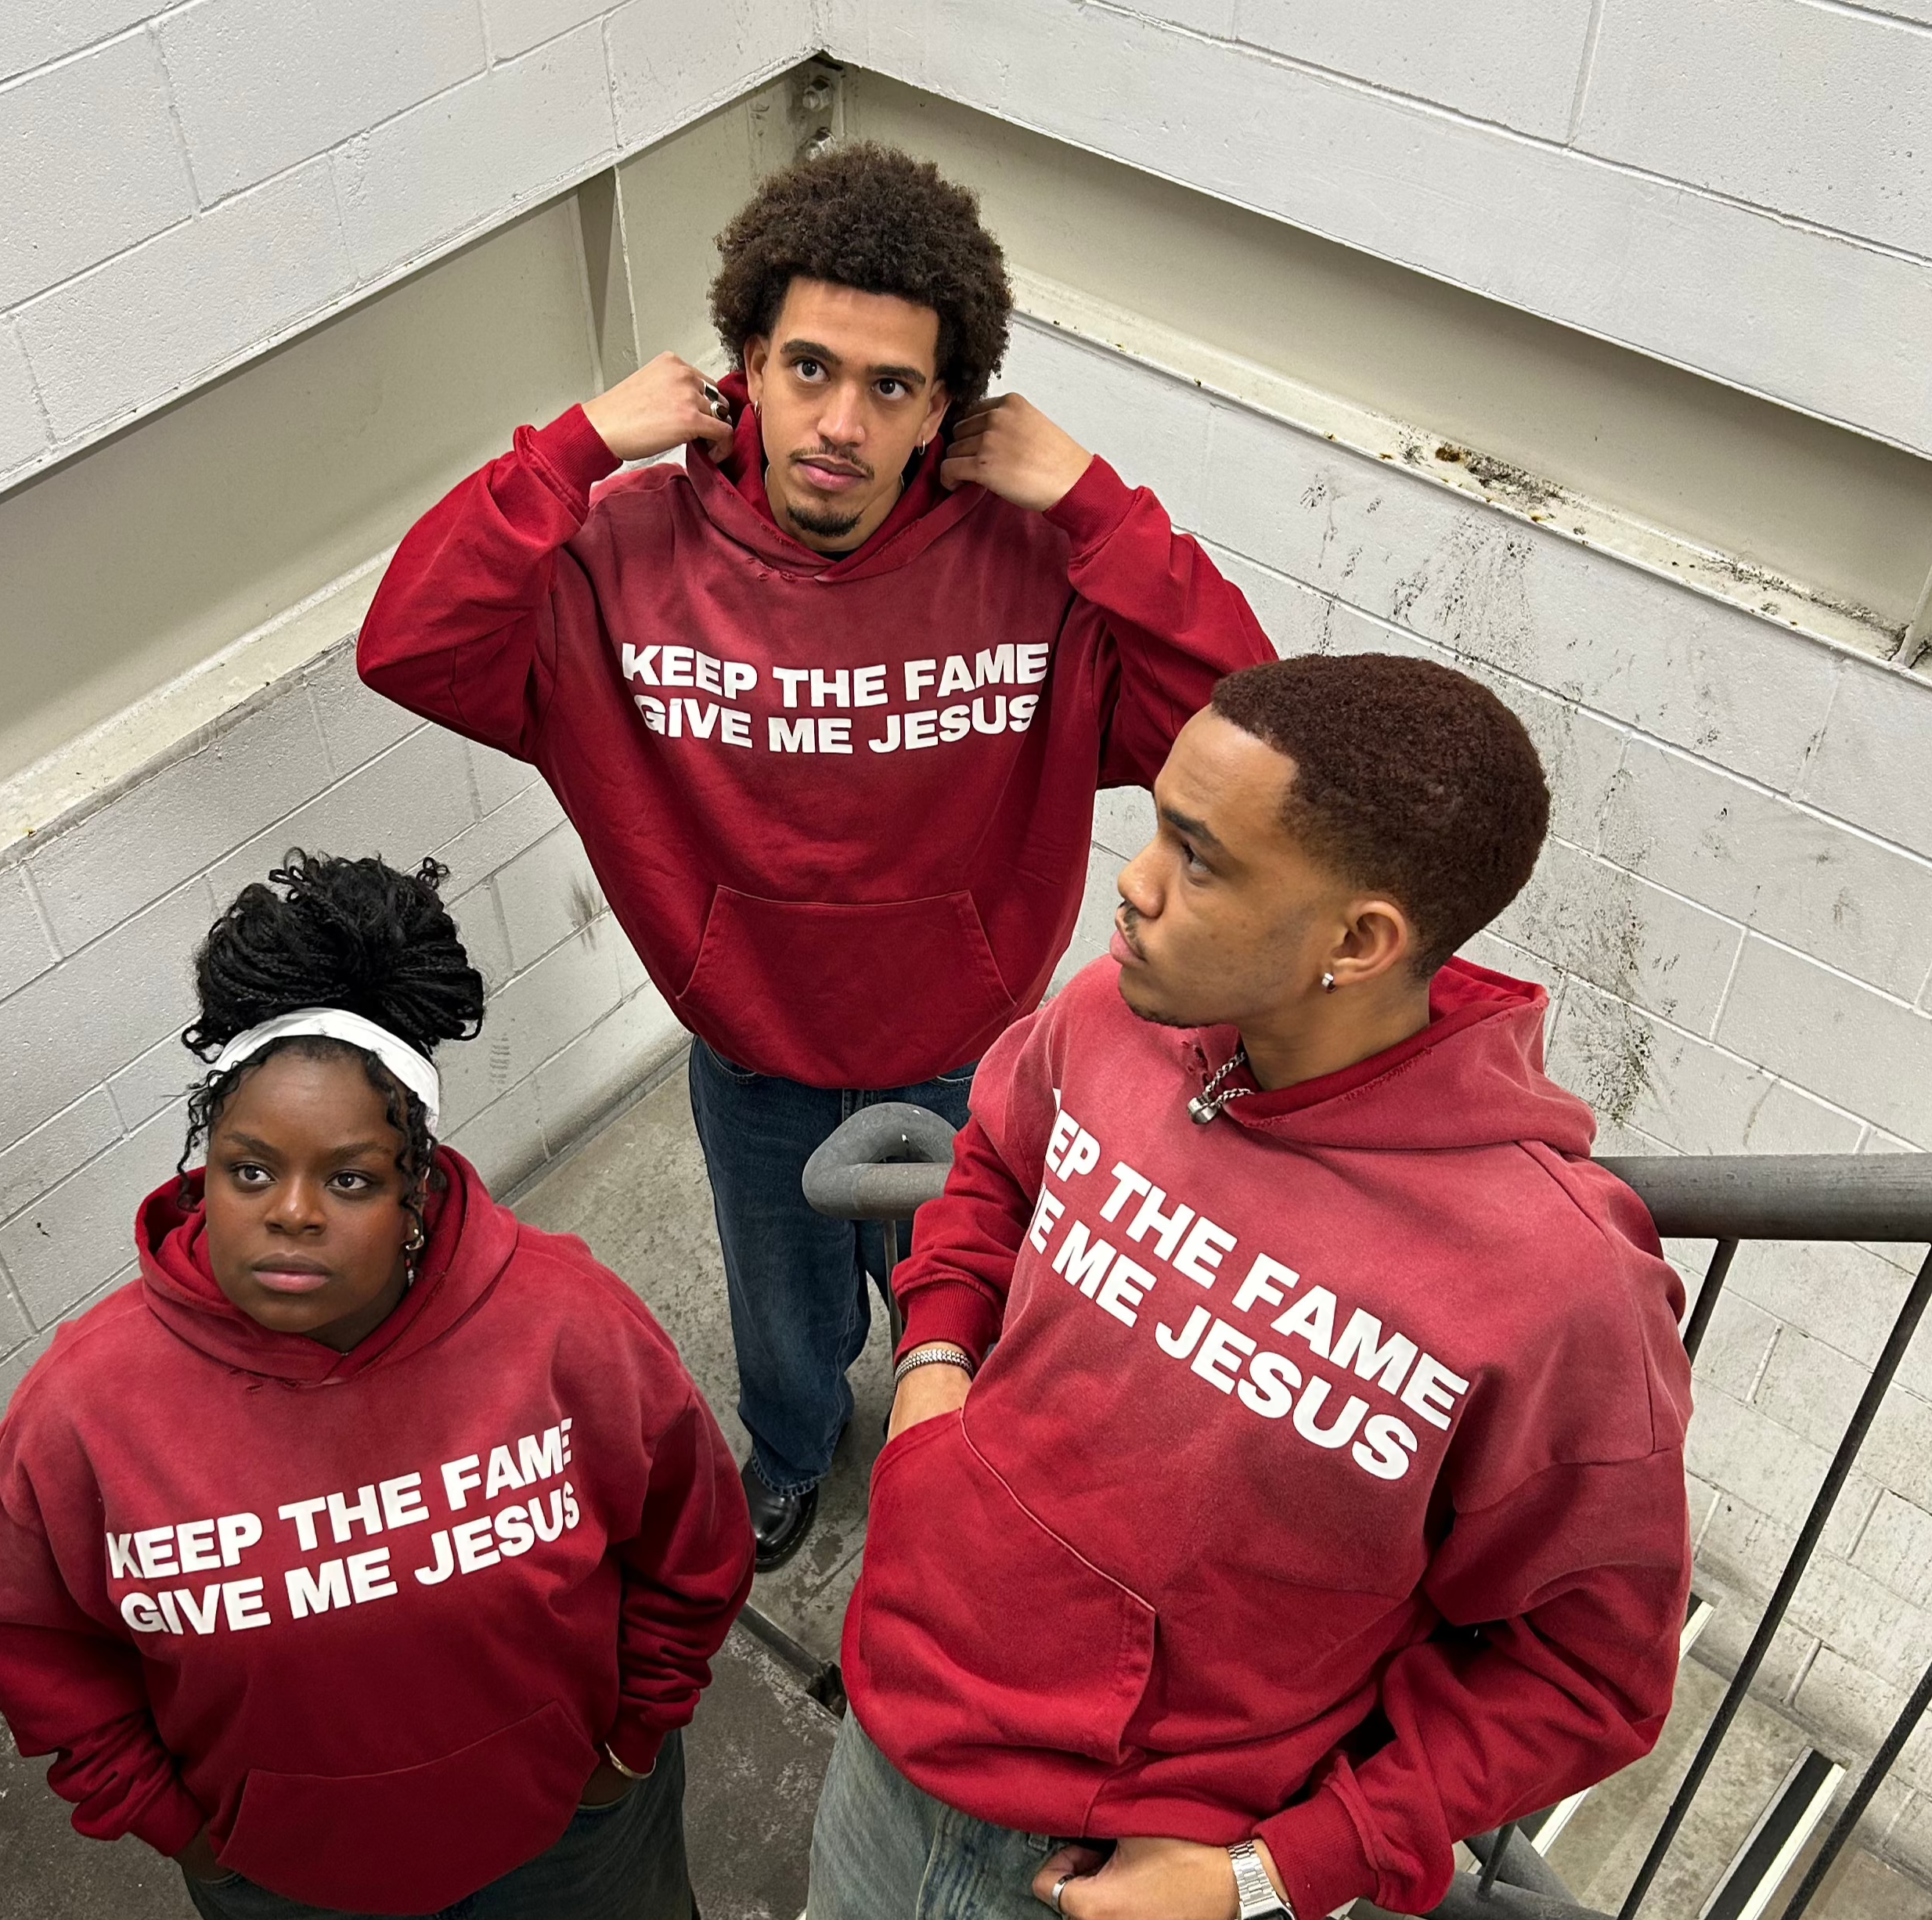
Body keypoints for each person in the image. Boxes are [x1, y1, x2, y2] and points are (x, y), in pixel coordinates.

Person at [759, 654, 1695, 1920]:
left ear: (1359, 941)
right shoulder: (1111, 1019)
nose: (1133, 882)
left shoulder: (1555, 1294)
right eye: (1153, 826)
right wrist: (938, 1371)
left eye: (1197, 856)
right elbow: (989, 1166)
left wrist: (1275, 1883)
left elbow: (1585, 1679)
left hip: (1141, 1900)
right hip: (897, 1756)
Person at [358, 142, 1274, 1571]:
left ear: (944, 413)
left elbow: (1242, 728)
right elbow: (410, 643)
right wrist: (571, 448)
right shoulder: (619, 559)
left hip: (968, 1059)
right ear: (745, 368)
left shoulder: (1036, 566)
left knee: (966, 1313)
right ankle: (789, 1456)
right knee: (779, 1313)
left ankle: (960, 1474)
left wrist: (1095, 502)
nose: (841, 422)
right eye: (808, 369)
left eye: (892, 387)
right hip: (756, 1056)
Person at [0, 853, 752, 1920]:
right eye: (249, 1170)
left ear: (421, 1188)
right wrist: (185, 1829)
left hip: (576, 1824)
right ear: (204, 1167)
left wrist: (632, 1736)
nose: (292, 1211)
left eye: (352, 1177)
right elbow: (34, 1648)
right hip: (294, 1882)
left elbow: (691, 1542)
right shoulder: (85, 1411)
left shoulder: (564, 1325)